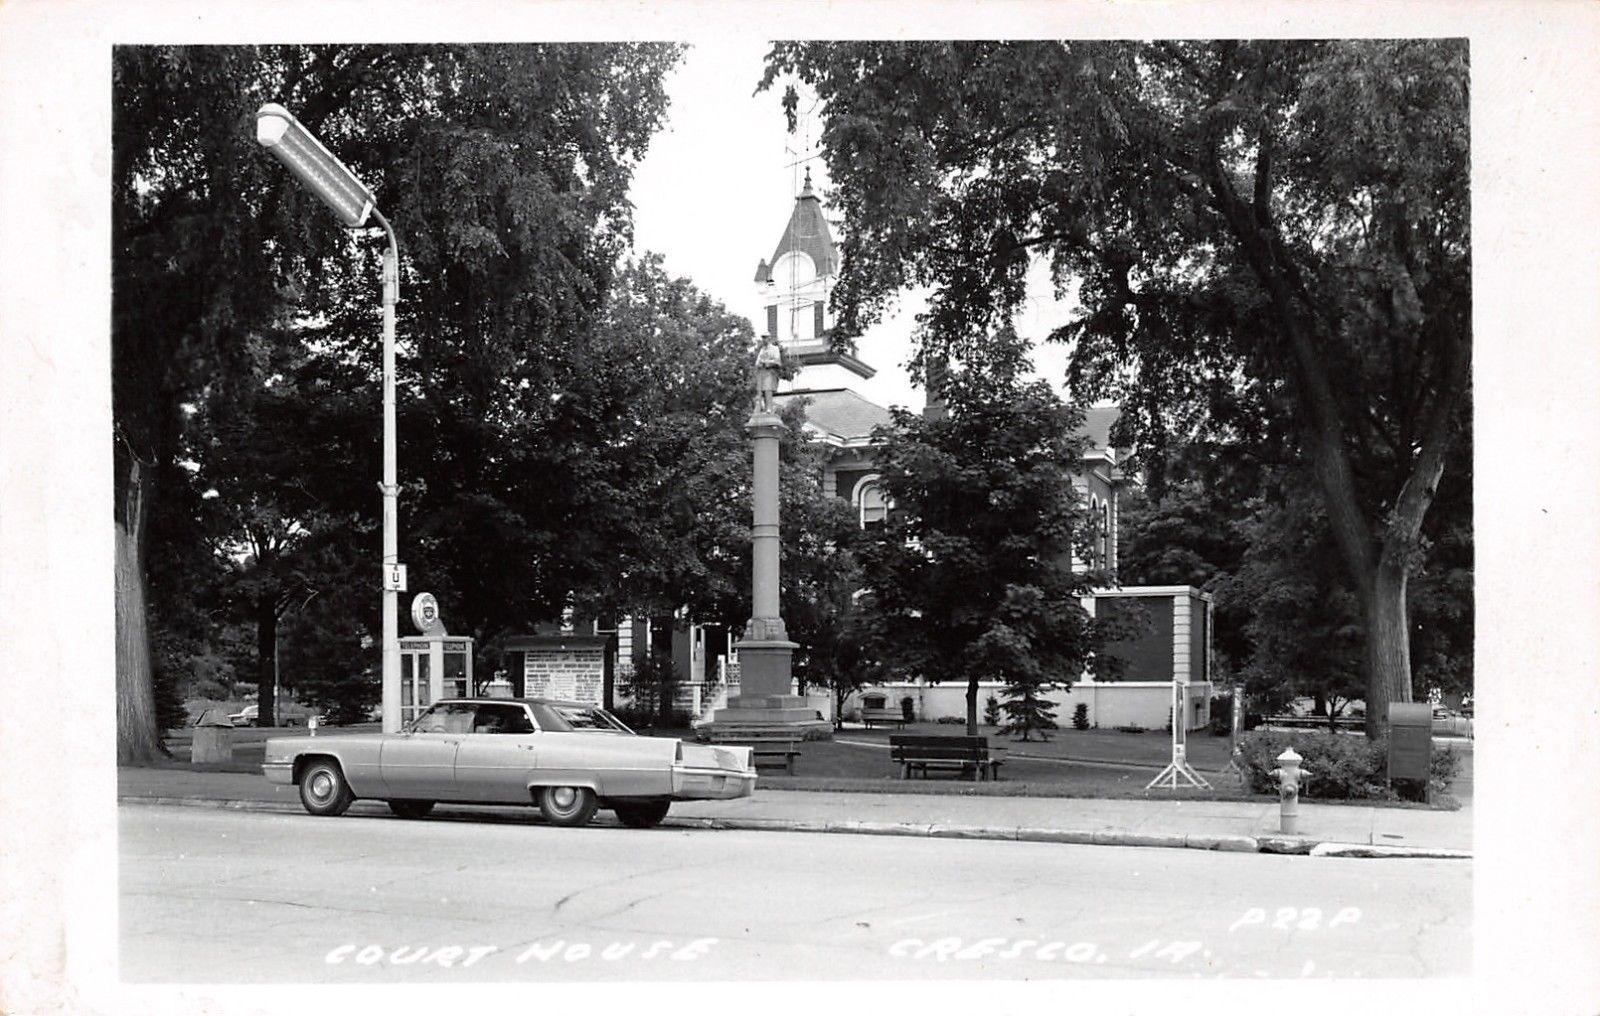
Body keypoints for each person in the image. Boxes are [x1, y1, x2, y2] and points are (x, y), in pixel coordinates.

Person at [754, 337, 783, 413]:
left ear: (769, 339)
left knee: (768, 389)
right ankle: (763, 408)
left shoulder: (775, 349)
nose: (764, 340)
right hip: (761, 372)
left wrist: (767, 362)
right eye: (763, 338)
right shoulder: (762, 350)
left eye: (765, 338)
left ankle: (769, 408)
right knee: (761, 391)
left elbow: (777, 361)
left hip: (770, 372)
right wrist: (760, 363)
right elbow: (757, 362)